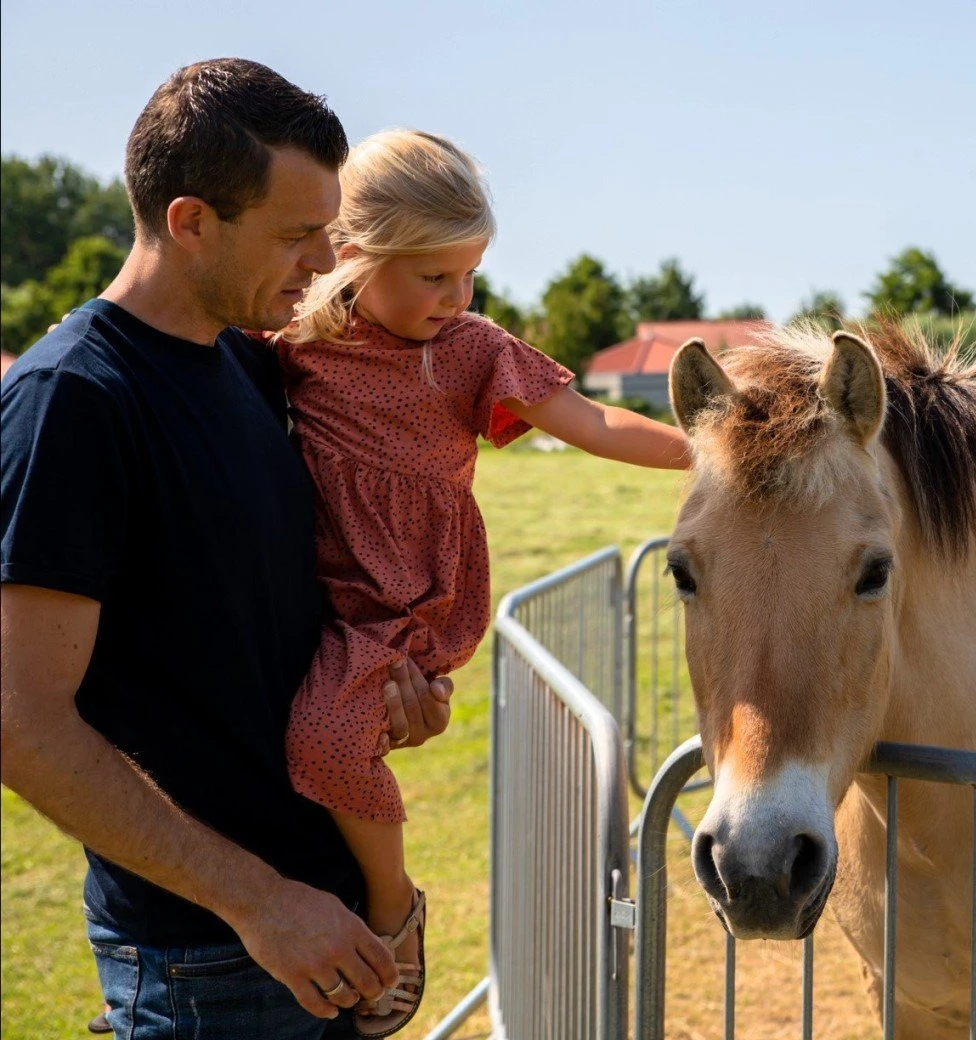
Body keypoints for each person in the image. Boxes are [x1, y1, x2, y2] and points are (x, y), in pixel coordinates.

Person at [1, 59, 454, 1039]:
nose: (325, 259)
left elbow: (247, 643)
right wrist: (258, 900)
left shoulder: (251, 365)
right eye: (296, 235)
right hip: (213, 957)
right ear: (190, 220)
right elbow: (18, 718)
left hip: (318, 932)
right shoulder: (72, 400)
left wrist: (381, 697)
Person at [272, 127, 689, 1034]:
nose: (456, 298)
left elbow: (599, 424)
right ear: (352, 253)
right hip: (322, 587)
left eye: (471, 276)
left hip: (405, 596)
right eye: (433, 276)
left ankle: (393, 907)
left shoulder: (468, 349)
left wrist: (714, 453)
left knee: (324, 741)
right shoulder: (294, 340)